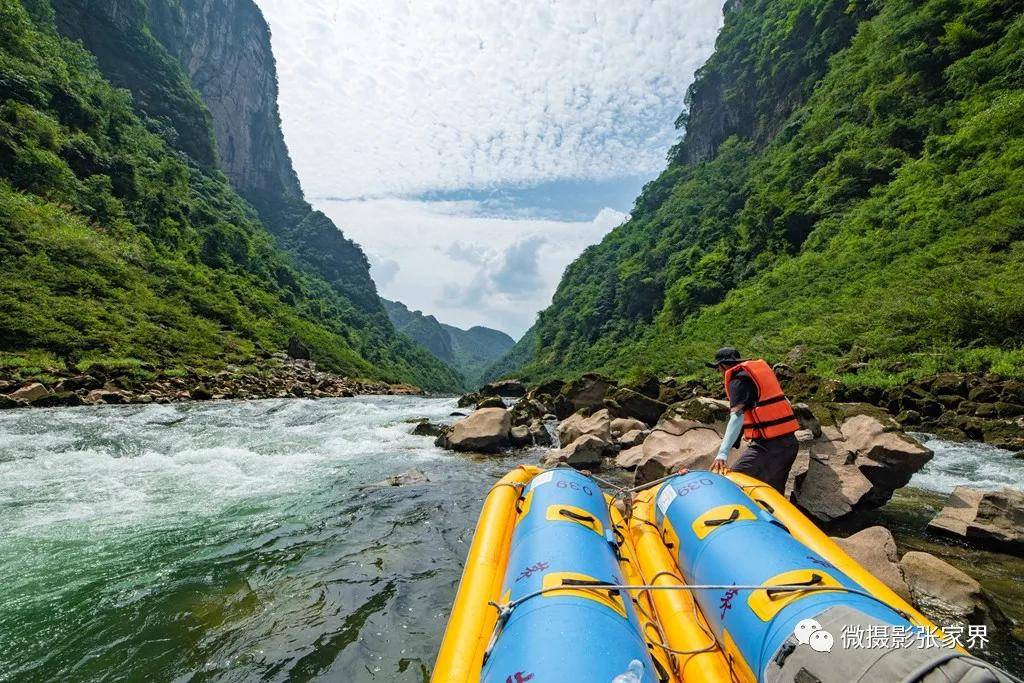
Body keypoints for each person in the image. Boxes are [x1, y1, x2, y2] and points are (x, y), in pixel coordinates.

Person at [705, 347, 800, 493]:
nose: (719, 373)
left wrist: (722, 454)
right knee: (773, 491)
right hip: (790, 443)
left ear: (723, 365)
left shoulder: (738, 380)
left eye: (718, 369)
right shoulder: (754, 376)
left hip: (769, 447)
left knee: (732, 482)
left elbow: (737, 417)